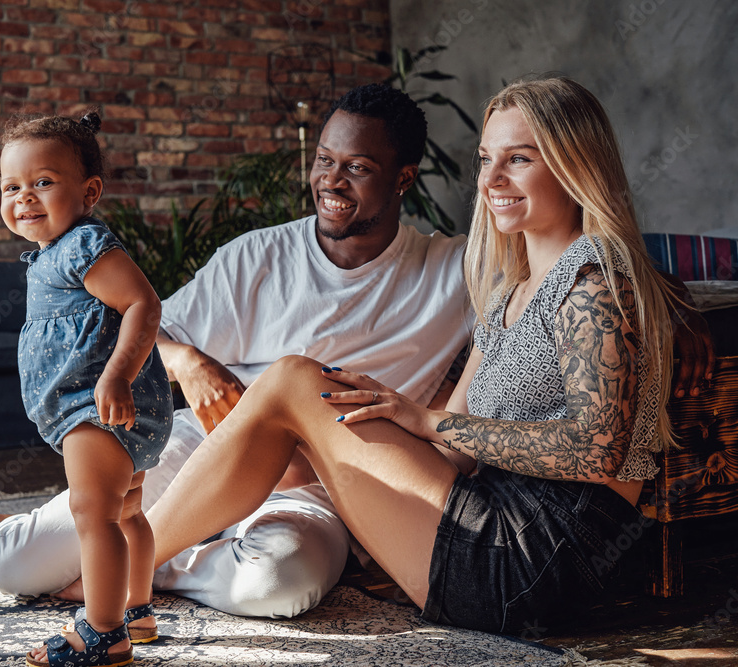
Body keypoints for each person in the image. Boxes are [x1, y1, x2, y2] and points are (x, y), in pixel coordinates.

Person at [144, 76, 693, 634]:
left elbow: (597, 451)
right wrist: (338, 452)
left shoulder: (594, 276)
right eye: (486, 159)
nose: (492, 180)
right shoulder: (508, 294)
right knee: (304, 393)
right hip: (484, 518)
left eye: (519, 159)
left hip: (535, 556)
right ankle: (129, 566)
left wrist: (422, 419)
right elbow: (453, 454)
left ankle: (122, 571)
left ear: (575, 165)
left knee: (292, 379)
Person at [0, 83, 474, 618]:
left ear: (403, 179)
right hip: (204, 450)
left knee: (277, 585)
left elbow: (541, 267)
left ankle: (128, 565)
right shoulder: (257, 255)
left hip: (319, 487)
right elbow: (146, 323)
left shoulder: (456, 270)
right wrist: (187, 361)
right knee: (12, 565)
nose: (331, 180)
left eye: (357, 167)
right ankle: (29, 532)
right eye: (324, 160)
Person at [0, 113, 174, 667]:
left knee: (91, 512)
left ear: (89, 191)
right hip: (103, 406)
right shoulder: (51, 255)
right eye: (10, 186)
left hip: (96, 405)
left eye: (43, 182)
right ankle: (137, 611)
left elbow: (143, 304)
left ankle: (103, 633)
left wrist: (117, 375)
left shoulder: (83, 245)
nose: (24, 197)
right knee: (126, 514)